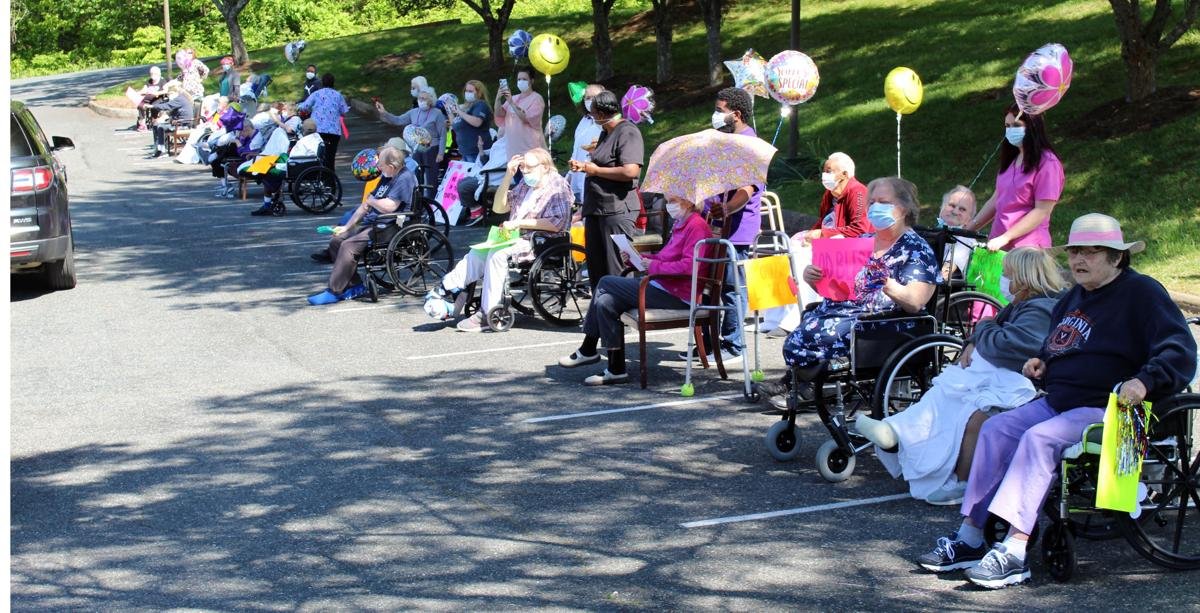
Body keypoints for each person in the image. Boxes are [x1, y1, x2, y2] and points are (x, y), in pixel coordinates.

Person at [914, 213, 1196, 589]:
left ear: (1116, 257)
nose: (1078, 259)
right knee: (996, 429)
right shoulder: (1073, 298)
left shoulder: (1142, 293)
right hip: (1060, 399)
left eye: (1090, 252)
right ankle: (970, 536)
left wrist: (1144, 381)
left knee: (1039, 439)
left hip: (1111, 406)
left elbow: (1180, 349)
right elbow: (1060, 344)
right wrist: (1043, 362)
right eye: (1074, 251)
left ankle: (1014, 551)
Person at [855, 247, 1065, 505]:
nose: (1004, 279)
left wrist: (983, 328)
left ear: (1024, 278)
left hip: (1023, 382)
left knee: (971, 411)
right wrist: (975, 339)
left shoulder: (1040, 310)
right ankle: (898, 431)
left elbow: (1007, 345)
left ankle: (958, 480)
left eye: (1008, 274)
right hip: (1001, 375)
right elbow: (993, 337)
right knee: (945, 393)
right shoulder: (1022, 304)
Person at [756, 177, 941, 405]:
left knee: (819, 336)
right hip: (842, 312)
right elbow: (837, 285)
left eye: (883, 202)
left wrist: (887, 283)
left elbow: (915, 302)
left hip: (880, 323)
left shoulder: (916, 250)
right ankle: (796, 382)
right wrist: (814, 279)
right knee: (801, 335)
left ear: (904, 208)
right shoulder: (862, 241)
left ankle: (809, 387)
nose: (875, 207)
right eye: (871, 202)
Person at [558, 195, 713, 385]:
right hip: (664, 285)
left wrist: (652, 266)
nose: (668, 205)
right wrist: (638, 259)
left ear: (688, 202)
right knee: (606, 301)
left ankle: (588, 348)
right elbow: (666, 257)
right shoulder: (682, 223)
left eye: (673, 201)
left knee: (605, 282)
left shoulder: (696, 226)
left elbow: (689, 267)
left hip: (679, 293)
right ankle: (615, 369)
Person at [435, 148, 573, 332]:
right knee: (478, 251)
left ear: (545, 166)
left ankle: (487, 312)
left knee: (497, 254)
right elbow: (499, 208)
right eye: (522, 167)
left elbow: (557, 223)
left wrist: (519, 223)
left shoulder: (558, 186)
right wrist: (508, 175)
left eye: (529, 167)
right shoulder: (525, 184)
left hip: (542, 240)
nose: (525, 171)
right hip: (515, 236)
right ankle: (450, 288)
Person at [690, 87, 766, 361]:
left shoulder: (750, 145)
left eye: (719, 110)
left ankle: (733, 345)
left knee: (732, 289)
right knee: (711, 287)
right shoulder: (726, 141)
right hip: (716, 227)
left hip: (737, 231)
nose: (715, 115)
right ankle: (709, 343)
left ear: (736, 114)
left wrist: (727, 208)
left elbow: (747, 189)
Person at [761, 151, 869, 335]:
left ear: (844, 174)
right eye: (824, 170)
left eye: (829, 171)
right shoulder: (829, 194)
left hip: (847, 248)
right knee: (781, 255)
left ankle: (796, 318)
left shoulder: (857, 192)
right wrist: (809, 235)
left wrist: (822, 234)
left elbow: (860, 228)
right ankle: (772, 318)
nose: (824, 175)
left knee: (800, 258)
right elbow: (823, 221)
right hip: (828, 242)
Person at [308, 146, 418, 305]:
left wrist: (372, 202)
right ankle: (355, 285)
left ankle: (334, 291)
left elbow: (390, 206)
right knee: (337, 241)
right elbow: (365, 205)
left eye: (381, 165)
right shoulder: (386, 177)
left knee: (348, 246)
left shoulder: (404, 178)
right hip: (374, 222)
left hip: (389, 225)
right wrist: (346, 227)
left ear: (391, 166)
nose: (378, 167)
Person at [568, 90, 644, 291]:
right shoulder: (605, 133)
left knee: (615, 266)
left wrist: (595, 170)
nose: (592, 118)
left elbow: (630, 171)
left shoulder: (627, 132)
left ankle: (621, 307)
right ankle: (599, 306)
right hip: (596, 209)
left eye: (593, 114)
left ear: (601, 114)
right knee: (596, 266)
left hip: (616, 210)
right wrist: (585, 165)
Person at [965, 103, 1064, 251]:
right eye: (1007, 126)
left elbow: (1042, 211)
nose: (1011, 130)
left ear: (1033, 126)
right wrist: (967, 230)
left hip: (1028, 250)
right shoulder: (1012, 160)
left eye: (1016, 125)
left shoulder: (1048, 163)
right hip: (998, 247)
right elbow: (996, 200)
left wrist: (1006, 237)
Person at [376, 86, 446, 198]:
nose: (421, 100)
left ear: (431, 100)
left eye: (424, 98)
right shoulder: (413, 112)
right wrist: (384, 112)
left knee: (431, 177)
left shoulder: (437, 113)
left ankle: (432, 201)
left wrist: (441, 153)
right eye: (420, 98)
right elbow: (398, 120)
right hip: (416, 148)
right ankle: (416, 200)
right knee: (415, 175)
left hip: (432, 149)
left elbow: (442, 134)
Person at [296, 73, 349, 170]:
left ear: (322, 83)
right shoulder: (338, 95)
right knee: (330, 158)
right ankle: (330, 177)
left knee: (317, 156)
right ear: (333, 83)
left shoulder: (316, 94)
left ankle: (319, 175)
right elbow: (344, 111)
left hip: (318, 130)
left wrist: (300, 106)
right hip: (334, 132)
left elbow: (304, 107)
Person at [493, 67, 545, 158]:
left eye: (524, 79)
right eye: (519, 79)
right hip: (513, 151)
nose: (521, 82)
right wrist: (498, 98)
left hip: (530, 150)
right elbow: (499, 113)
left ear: (532, 81)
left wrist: (511, 103)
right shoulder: (514, 98)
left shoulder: (536, 99)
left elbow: (526, 118)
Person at [566, 84, 605, 203]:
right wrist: (570, 174)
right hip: (579, 172)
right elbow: (576, 148)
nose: (590, 100)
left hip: (597, 175)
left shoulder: (605, 122)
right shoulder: (584, 121)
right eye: (587, 98)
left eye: (594, 97)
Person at [446, 80, 494, 164]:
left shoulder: (480, 104)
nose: (467, 93)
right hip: (465, 152)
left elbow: (477, 122)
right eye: (466, 91)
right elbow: (454, 124)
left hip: (477, 152)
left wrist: (459, 111)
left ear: (479, 93)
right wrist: (449, 111)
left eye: (470, 91)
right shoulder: (465, 107)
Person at [935, 185, 979, 279]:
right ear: (941, 207)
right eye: (952, 205)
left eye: (962, 209)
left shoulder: (966, 240)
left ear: (969, 219)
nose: (955, 211)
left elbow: (945, 273)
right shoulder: (932, 232)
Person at [146, 82, 194, 159]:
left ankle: (163, 150)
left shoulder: (179, 99)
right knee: (156, 125)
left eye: (169, 94)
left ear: (175, 93)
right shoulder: (179, 99)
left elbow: (167, 106)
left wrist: (152, 106)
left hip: (183, 124)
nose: (168, 96)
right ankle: (159, 148)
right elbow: (171, 110)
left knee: (161, 127)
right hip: (179, 122)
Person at [134, 66, 168, 131]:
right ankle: (142, 123)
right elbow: (144, 90)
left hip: (158, 98)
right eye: (151, 73)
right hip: (148, 98)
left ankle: (154, 119)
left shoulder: (162, 81)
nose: (152, 75)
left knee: (154, 106)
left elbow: (166, 90)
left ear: (159, 74)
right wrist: (137, 93)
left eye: (154, 73)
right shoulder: (149, 81)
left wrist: (157, 93)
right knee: (140, 104)